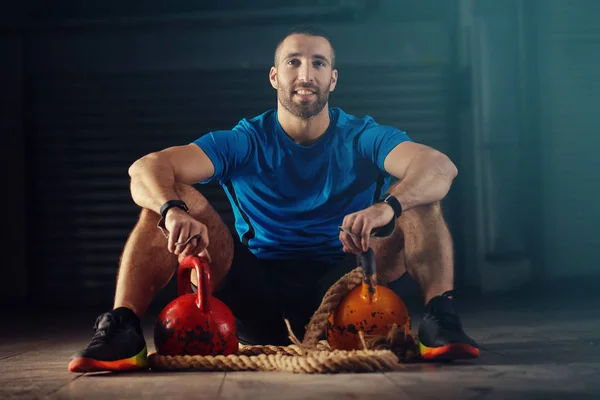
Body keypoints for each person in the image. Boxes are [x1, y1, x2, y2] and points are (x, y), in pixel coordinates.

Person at [68, 25, 479, 373]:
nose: (306, 73)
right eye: (293, 62)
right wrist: (172, 211)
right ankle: (122, 329)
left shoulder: (363, 136)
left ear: (332, 79)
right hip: (255, 291)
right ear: (274, 77)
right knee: (167, 197)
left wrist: (386, 207)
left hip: (345, 289)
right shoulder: (244, 140)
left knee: (419, 197)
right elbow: (145, 168)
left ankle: (440, 319)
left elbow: (440, 166)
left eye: (318, 63)